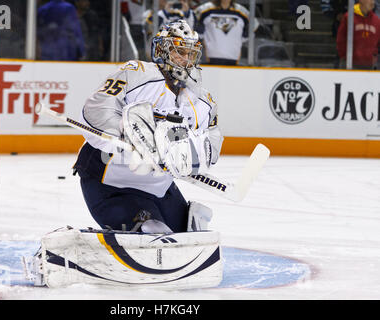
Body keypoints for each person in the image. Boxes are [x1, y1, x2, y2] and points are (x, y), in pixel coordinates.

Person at [73, 20, 223, 233]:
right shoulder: (136, 74)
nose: (186, 60)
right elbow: (95, 110)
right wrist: (128, 139)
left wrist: (188, 157)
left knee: (190, 234)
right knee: (153, 231)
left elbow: (211, 140)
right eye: (180, 51)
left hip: (158, 187)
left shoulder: (201, 100)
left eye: (191, 54)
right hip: (111, 183)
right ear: (162, 50)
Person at [195, 0, 259, 66]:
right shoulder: (206, 8)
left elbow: (254, 23)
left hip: (233, 56)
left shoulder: (241, 11)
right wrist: (200, 34)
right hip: (211, 56)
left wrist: (242, 38)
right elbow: (191, 19)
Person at [336, 0, 380, 70]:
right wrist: (344, 57)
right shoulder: (349, 17)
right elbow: (341, 40)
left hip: (369, 65)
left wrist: (374, 56)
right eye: (370, 0)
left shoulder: (376, 20)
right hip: (350, 64)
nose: (372, 2)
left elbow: (377, 42)